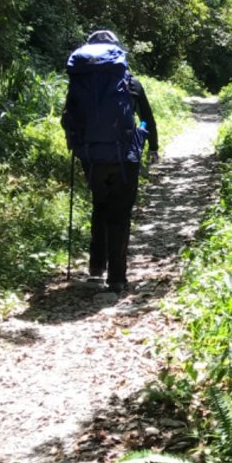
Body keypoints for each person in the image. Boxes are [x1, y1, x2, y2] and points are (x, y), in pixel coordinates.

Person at [61, 30, 159, 293]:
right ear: (118, 52)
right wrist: (152, 145)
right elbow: (147, 116)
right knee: (120, 215)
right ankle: (117, 278)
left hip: (91, 156)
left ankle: (95, 270)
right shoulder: (131, 83)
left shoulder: (79, 82)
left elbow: (68, 117)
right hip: (124, 156)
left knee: (100, 207)